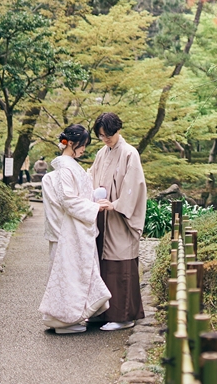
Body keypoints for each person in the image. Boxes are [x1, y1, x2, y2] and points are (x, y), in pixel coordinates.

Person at [39, 125, 112, 334]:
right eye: (83, 146)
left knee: (72, 274)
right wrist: (95, 206)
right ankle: (64, 319)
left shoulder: (68, 166)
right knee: (70, 275)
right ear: (71, 143)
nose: (84, 150)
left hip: (73, 227)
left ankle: (68, 317)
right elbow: (68, 200)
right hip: (70, 230)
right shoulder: (66, 168)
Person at [88, 112, 147, 330]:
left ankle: (123, 316)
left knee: (119, 262)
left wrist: (117, 204)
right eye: (102, 136)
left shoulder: (130, 153)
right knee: (102, 262)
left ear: (117, 130)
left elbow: (134, 187)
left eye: (108, 135)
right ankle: (104, 312)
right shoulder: (102, 153)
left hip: (120, 218)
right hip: (103, 216)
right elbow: (91, 177)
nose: (105, 139)